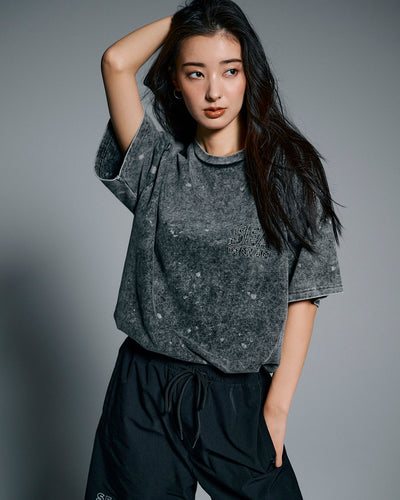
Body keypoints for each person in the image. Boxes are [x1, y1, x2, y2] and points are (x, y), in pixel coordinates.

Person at [84, 0, 344, 498]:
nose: (214, 91)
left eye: (230, 70)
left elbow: (305, 293)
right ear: (176, 84)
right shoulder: (157, 165)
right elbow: (116, 62)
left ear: (249, 76)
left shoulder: (290, 175)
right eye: (195, 73)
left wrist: (277, 406)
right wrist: (191, 16)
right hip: (144, 387)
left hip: (237, 396)